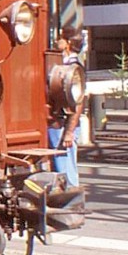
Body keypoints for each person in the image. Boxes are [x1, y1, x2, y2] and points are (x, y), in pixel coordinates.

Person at [48, 28, 85, 187]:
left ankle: (71, 200)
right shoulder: (70, 65)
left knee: (66, 165)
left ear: (68, 43)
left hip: (64, 125)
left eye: (60, 38)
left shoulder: (73, 68)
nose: (57, 42)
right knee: (62, 163)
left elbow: (78, 102)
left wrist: (69, 133)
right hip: (61, 125)